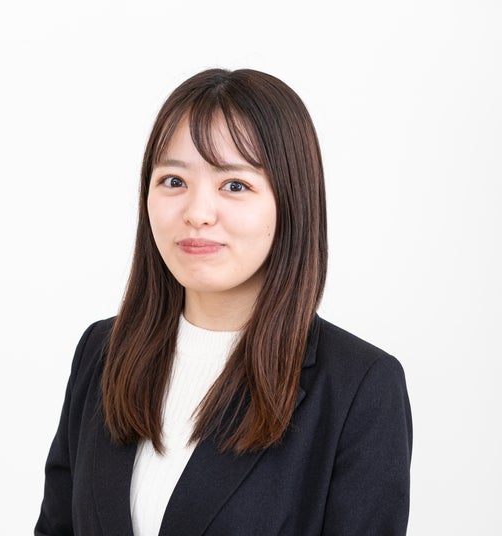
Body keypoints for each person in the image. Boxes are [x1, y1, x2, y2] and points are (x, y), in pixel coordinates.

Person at [35, 68, 412, 536]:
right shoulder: (101, 351)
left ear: (291, 202)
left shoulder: (359, 388)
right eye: (173, 180)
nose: (196, 213)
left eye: (234, 185)